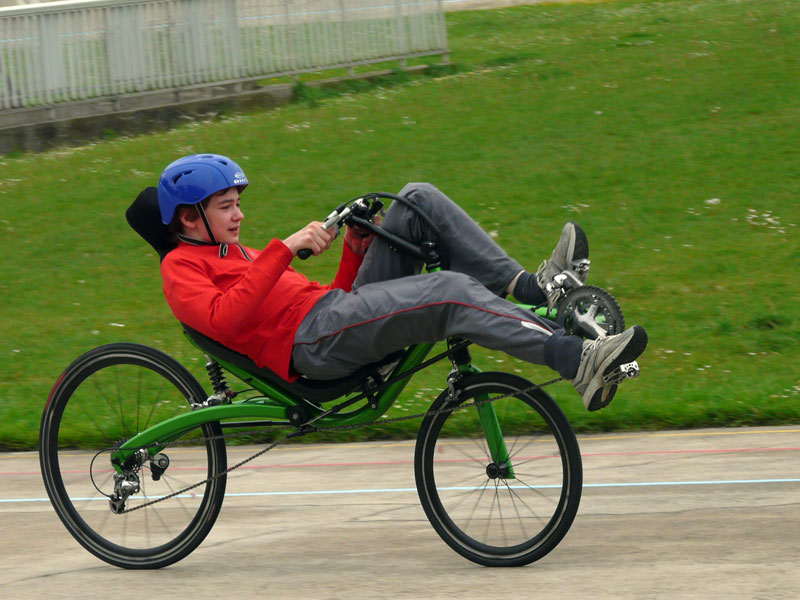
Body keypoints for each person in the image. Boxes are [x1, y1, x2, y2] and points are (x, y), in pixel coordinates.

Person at [157, 153, 647, 411]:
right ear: (190, 217)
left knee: (417, 200)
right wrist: (283, 249)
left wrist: (354, 248)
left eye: (238, 203)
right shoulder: (181, 269)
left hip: (330, 319)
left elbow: (334, 299)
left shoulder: (235, 251)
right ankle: (576, 360)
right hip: (311, 347)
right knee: (447, 292)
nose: (239, 214)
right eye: (227, 207)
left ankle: (535, 289)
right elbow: (225, 320)